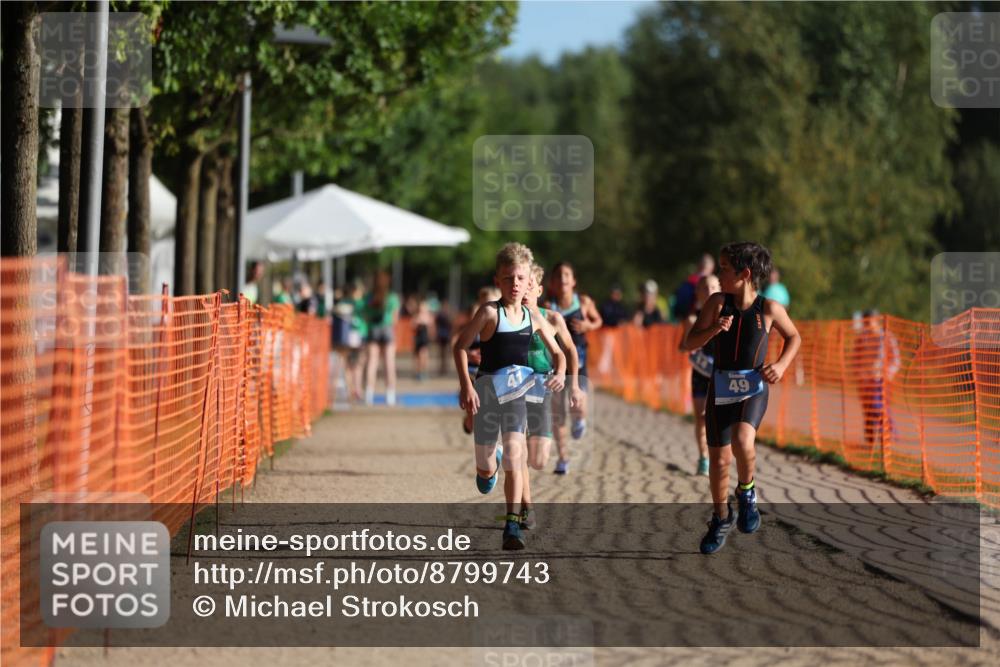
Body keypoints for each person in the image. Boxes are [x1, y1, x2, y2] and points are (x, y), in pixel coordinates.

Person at [683, 242, 801, 555]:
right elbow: (688, 343)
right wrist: (711, 331)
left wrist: (781, 364)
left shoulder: (770, 308)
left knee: (743, 442)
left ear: (745, 274)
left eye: (724, 268)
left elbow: (794, 337)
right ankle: (721, 516)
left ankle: (747, 491)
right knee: (720, 460)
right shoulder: (716, 303)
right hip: (720, 387)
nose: (718, 274)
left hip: (753, 386)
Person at [453, 243, 564, 550]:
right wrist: (467, 385)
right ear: (498, 281)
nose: (515, 284)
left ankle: (512, 525)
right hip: (487, 394)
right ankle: (492, 461)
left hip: (518, 394)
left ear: (530, 281)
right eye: (507, 278)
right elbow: (460, 347)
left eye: (520, 278)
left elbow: (558, 353)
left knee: (517, 453)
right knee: (487, 468)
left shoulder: (533, 317)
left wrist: (560, 373)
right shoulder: (490, 312)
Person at [520, 264, 575, 530]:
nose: (525, 288)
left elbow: (567, 352)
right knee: (516, 450)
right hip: (512, 387)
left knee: (539, 460)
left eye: (530, 284)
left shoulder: (551, 318)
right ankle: (526, 507)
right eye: (521, 283)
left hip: (541, 386)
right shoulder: (506, 318)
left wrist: (569, 380)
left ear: (539, 289)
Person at [547, 261, 602, 473]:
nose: (563, 279)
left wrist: (589, 325)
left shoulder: (584, 302)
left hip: (579, 361)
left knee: (578, 405)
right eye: (559, 275)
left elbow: (598, 321)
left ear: (574, 280)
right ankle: (563, 458)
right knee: (558, 412)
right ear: (552, 282)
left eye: (567, 274)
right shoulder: (549, 306)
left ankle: (580, 420)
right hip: (556, 362)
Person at [680, 274, 721, 477]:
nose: (710, 291)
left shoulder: (727, 316)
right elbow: (683, 345)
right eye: (705, 288)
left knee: (720, 419)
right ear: (698, 293)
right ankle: (703, 457)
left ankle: (719, 456)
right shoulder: (692, 319)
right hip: (700, 373)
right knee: (701, 418)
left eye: (714, 286)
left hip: (720, 374)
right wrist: (692, 348)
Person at [851, 309, 901, 453]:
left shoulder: (886, 337)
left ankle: (889, 434)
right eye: (865, 321)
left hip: (880, 380)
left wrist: (888, 374)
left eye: (869, 321)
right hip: (864, 380)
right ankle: (871, 440)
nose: (867, 324)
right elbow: (856, 357)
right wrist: (858, 372)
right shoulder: (862, 338)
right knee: (867, 410)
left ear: (876, 320)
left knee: (878, 407)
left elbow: (896, 359)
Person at [363, 271, 401, 406]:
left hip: (373, 329)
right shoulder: (392, 297)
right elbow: (395, 319)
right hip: (387, 329)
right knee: (389, 364)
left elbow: (365, 315)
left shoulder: (369, 297)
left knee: (372, 363)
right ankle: (390, 395)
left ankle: (369, 394)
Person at [332, 280, 367, 403]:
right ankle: (356, 390)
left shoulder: (343, 302)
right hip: (358, 335)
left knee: (349, 364)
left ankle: (351, 390)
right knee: (357, 364)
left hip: (347, 336)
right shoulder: (362, 303)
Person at [671, 253, 715, 321]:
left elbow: (677, 309)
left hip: (684, 320)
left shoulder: (686, 283)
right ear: (711, 269)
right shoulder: (714, 284)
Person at [412, 297, 434, 381]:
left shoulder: (427, 317)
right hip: (418, 338)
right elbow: (412, 325)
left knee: (424, 355)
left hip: (424, 338)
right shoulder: (417, 316)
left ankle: (423, 372)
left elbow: (431, 325)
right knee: (417, 356)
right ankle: (418, 372)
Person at [435, 300, 454, 376]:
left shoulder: (447, 315)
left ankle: (444, 368)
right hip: (442, 335)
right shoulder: (444, 315)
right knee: (443, 352)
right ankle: (443, 368)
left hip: (445, 335)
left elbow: (452, 325)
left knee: (445, 352)